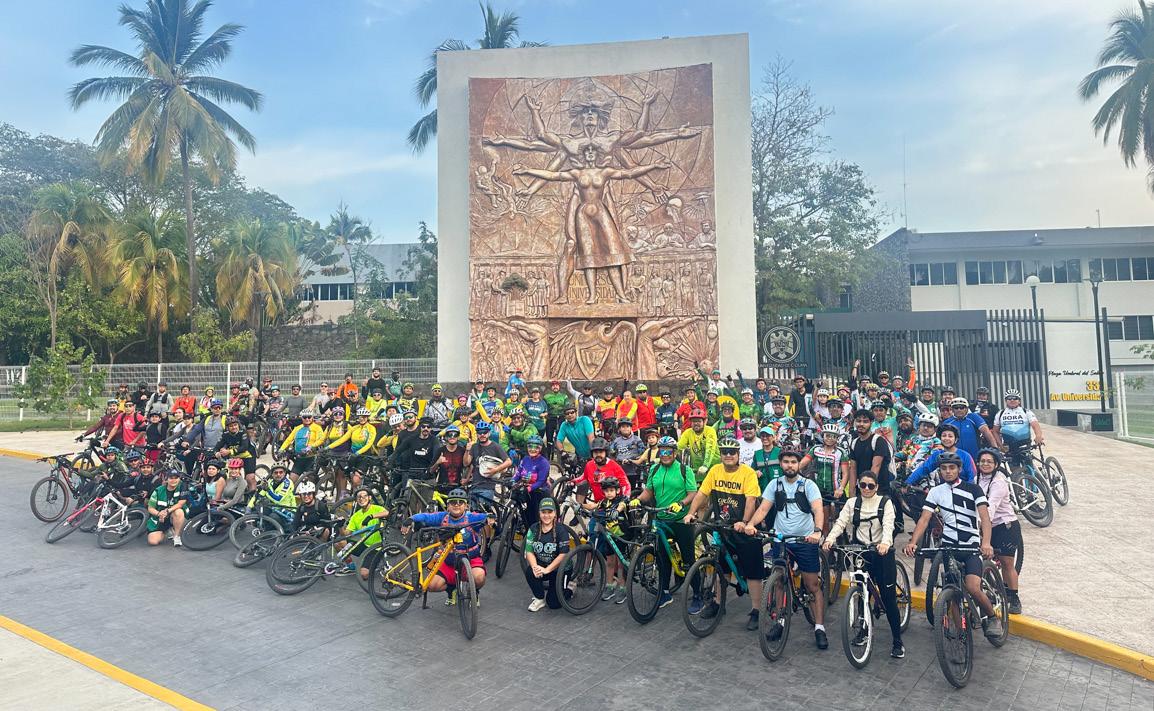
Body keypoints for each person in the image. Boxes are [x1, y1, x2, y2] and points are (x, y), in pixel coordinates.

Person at [903, 451, 1003, 639]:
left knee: (972, 587)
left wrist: (986, 543)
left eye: (951, 468)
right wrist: (913, 542)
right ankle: (961, 634)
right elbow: (924, 519)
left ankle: (992, 617)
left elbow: (985, 518)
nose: (948, 471)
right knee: (953, 591)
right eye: (944, 468)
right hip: (949, 546)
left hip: (970, 545)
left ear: (959, 469)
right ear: (939, 471)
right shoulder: (936, 492)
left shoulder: (973, 489)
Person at [743, 448, 827, 647]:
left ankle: (819, 627)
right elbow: (763, 508)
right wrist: (751, 524)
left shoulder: (808, 485)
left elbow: (818, 509)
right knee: (779, 582)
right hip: (781, 539)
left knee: (812, 586)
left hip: (804, 540)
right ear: (781, 464)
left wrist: (817, 531)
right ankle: (780, 621)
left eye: (793, 462)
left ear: (799, 464)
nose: (790, 465)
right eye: (786, 462)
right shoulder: (775, 484)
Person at [685, 437, 767, 630]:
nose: (728, 455)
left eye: (732, 452)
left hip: (744, 527)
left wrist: (744, 522)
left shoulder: (747, 473)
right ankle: (717, 603)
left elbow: (750, 500)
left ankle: (756, 610)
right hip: (722, 527)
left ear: (738, 454)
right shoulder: (715, 470)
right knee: (720, 566)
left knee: (753, 571)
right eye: (724, 452)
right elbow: (702, 493)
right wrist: (691, 513)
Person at [822, 470, 905, 658]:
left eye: (871, 486)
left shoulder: (885, 502)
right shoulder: (852, 503)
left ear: (877, 487)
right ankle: (863, 630)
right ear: (858, 485)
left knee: (889, 598)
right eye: (863, 485)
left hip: (881, 552)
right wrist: (830, 539)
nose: (866, 489)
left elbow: (889, 525)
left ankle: (897, 641)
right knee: (861, 592)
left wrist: (885, 543)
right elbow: (841, 523)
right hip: (861, 551)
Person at [630, 436, 698, 608]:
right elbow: (649, 491)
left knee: (688, 559)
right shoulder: (654, 469)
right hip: (661, 520)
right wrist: (638, 499)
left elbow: (693, 494)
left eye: (668, 451)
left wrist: (681, 503)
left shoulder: (684, 470)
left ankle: (698, 594)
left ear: (675, 453)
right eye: (662, 451)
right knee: (662, 559)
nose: (665, 455)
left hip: (681, 521)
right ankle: (665, 592)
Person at [403, 489, 488, 604]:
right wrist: (411, 519)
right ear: (447, 506)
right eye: (453, 502)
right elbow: (426, 516)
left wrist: (490, 517)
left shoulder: (472, 518)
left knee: (479, 577)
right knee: (432, 585)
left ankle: (474, 592)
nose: (456, 505)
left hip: (471, 559)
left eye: (460, 502)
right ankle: (451, 590)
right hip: (448, 561)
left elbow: (485, 516)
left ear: (466, 506)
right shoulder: (442, 517)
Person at [976, 448, 1022, 614]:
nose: (985, 464)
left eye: (989, 462)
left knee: (1006, 563)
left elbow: (990, 509)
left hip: (1005, 526)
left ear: (996, 464)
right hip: (986, 525)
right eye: (982, 461)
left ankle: (1014, 598)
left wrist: (978, 524)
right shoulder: (976, 479)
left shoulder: (999, 482)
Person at [524, 497, 574, 611]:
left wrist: (547, 570)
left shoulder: (561, 531)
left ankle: (569, 589)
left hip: (561, 569)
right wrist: (535, 567)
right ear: (539, 513)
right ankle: (539, 598)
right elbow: (529, 551)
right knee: (530, 571)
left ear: (555, 513)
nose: (546, 515)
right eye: (543, 512)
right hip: (543, 565)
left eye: (550, 512)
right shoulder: (533, 529)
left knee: (553, 604)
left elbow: (563, 555)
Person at [905, 423, 977, 485]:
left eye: (950, 436)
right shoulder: (937, 455)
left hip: (963, 491)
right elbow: (923, 469)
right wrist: (907, 483)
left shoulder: (965, 456)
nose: (946, 438)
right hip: (942, 491)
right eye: (944, 436)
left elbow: (972, 477)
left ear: (956, 439)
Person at [344, 487, 390, 579]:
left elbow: (387, 513)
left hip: (376, 548)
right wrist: (340, 525)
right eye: (359, 497)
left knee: (364, 575)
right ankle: (351, 566)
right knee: (340, 543)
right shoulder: (356, 516)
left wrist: (371, 516)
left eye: (364, 496)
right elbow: (346, 534)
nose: (362, 499)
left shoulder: (376, 508)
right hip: (364, 545)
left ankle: (376, 562)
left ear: (369, 498)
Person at [467, 421, 512, 505]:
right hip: (475, 485)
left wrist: (496, 470)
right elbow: (467, 463)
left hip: (489, 486)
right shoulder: (474, 447)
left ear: (489, 433)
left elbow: (508, 461)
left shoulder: (495, 446)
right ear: (477, 434)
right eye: (480, 432)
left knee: (485, 509)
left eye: (485, 432)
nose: (482, 435)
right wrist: (467, 450)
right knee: (473, 510)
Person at [512, 436, 551, 527]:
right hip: (526, 490)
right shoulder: (525, 459)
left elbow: (541, 481)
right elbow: (518, 474)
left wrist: (529, 488)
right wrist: (512, 481)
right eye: (530, 446)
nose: (533, 449)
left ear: (540, 448)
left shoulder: (544, 463)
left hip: (539, 492)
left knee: (534, 519)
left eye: (536, 447)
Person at [677, 405, 720, 484]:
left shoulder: (710, 430)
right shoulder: (688, 432)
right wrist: (664, 455)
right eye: (694, 421)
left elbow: (710, 449)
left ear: (704, 422)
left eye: (699, 421)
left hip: (714, 468)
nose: (696, 423)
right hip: (698, 471)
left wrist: (705, 465)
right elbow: (678, 447)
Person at [146, 469, 188, 547]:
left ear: (179, 479)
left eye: (176, 478)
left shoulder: (182, 487)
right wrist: (159, 514)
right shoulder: (158, 490)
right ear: (166, 479)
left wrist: (167, 511)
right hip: (160, 518)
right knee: (153, 541)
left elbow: (181, 503)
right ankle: (167, 531)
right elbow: (150, 508)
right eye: (171, 478)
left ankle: (177, 536)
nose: (173, 480)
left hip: (171, 514)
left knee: (179, 512)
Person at [279, 410, 325, 477]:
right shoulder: (298, 428)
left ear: (312, 417)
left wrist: (310, 447)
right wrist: (281, 449)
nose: (307, 419)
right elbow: (289, 439)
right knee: (292, 479)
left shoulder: (317, 427)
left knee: (311, 480)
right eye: (305, 417)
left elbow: (321, 440)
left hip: (311, 458)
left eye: (309, 417)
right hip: (299, 458)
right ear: (301, 418)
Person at [609, 417, 646, 488]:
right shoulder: (616, 441)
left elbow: (642, 455)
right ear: (619, 429)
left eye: (627, 426)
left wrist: (631, 460)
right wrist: (617, 461)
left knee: (633, 491)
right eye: (623, 427)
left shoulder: (637, 439)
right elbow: (611, 454)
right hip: (620, 472)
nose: (625, 428)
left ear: (631, 428)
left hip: (634, 472)